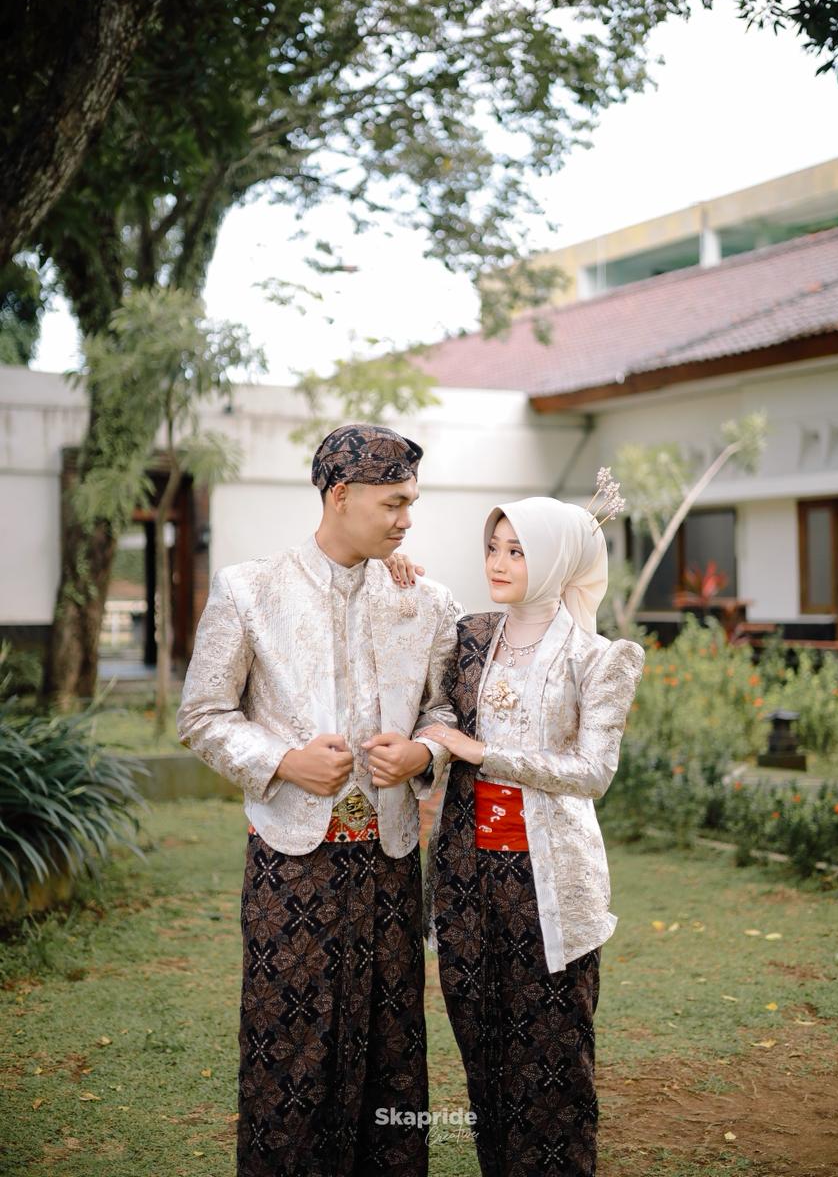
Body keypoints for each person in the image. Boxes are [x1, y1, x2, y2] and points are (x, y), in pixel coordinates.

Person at [176, 423, 461, 1177]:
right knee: (289, 1052)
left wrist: (423, 752)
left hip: (390, 863)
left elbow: (445, 709)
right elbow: (202, 715)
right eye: (394, 503)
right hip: (290, 863)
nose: (407, 520)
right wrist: (283, 761)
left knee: (392, 1049)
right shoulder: (249, 589)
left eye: (411, 502)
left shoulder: (427, 600)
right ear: (340, 495)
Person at [415, 490, 645, 1177]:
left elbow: (593, 772)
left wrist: (484, 753)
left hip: (548, 883)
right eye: (493, 547)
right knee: (481, 1045)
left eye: (517, 551)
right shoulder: (471, 635)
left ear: (555, 559)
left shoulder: (600, 658)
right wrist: (394, 570)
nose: (498, 562)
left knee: (553, 1054)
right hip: (466, 875)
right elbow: (437, 708)